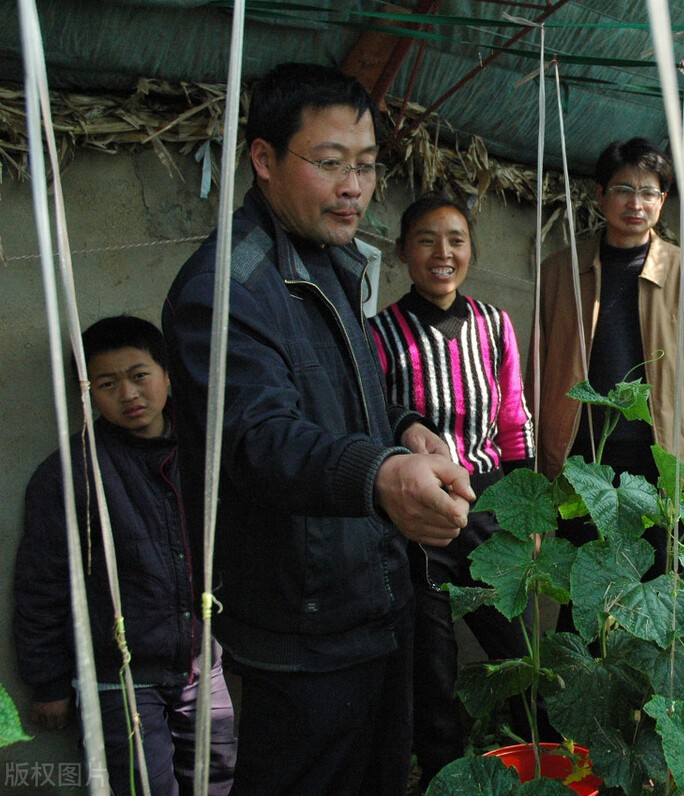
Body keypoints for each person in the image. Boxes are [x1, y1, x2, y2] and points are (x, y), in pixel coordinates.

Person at [162, 63, 472, 795]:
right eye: (330, 164)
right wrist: (379, 473)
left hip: (370, 597)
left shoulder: (330, 260)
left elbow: (345, 399)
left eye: (365, 166)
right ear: (264, 160)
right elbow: (259, 438)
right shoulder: (226, 290)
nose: (354, 188)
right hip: (300, 625)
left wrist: (407, 428)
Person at [14, 315, 237, 795]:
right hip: (119, 678)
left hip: (201, 664)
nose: (129, 395)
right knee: (144, 787)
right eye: (107, 384)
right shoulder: (71, 473)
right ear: (87, 393)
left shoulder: (206, 450)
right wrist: (48, 682)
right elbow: (41, 583)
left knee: (215, 780)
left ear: (168, 373)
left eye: (139, 376)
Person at [368, 194, 534, 785]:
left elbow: (515, 418)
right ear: (403, 251)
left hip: (490, 507)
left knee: (517, 650)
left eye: (456, 240)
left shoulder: (494, 324)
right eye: (427, 239)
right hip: (419, 518)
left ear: (471, 251)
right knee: (431, 664)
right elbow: (371, 418)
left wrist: (526, 513)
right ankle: (446, 773)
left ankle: (539, 763)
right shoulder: (379, 332)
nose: (443, 253)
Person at [537, 137, 684, 570]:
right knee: (580, 583)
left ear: (662, 201)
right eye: (624, 189)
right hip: (580, 453)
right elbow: (540, 368)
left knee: (651, 578)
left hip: (658, 456)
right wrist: (542, 459)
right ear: (600, 195)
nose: (635, 203)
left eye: (649, 192)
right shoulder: (561, 271)